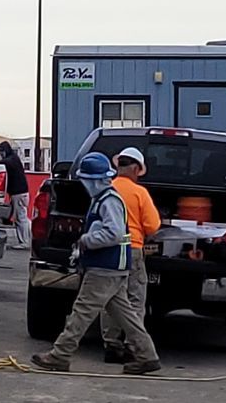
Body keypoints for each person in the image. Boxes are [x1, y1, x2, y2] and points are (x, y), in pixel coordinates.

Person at [32, 151, 161, 376]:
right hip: (115, 266)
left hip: (105, 267)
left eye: (85, 180)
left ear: (95, 180)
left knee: (82, 311)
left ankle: (60, 354)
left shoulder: (108, 200)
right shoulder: (105, 198)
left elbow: (114, 232)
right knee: (126, 313)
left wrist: (86, 241)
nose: (84, 184)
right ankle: (146, 355)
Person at [101, 146, 161, 363]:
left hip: (107, 250)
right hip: (132, 249)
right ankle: (131, 346)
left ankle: (111, 345)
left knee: (110, 298)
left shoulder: (106, 190)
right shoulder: (139, 193)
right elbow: (152, 225)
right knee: (135, 299)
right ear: (135, 168)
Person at [0, 140, 32, 247]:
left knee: (21, 218)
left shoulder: (11, 160)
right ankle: (27, 238)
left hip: (18, 194)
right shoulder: (15, 159)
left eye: (1, 152)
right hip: (21, 193)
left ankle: (24, 242)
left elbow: (5, 163)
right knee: (22, 216)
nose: (1, 155)